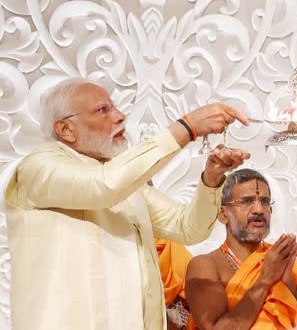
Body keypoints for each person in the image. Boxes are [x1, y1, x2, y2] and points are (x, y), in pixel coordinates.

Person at [4, 78, 250, 330]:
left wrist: (211, 179)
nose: (120, 116)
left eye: (115, 107)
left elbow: (187, 227)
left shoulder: (118, 179)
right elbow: (101, 186)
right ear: (65, 129)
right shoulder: (38, 167)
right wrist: (187, 128)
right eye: (103, 110)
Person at [185, 168, 297, 329]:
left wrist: (290, 287)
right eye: (247, 201)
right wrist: (265, 280)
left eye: (265, 202)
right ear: (223, 214)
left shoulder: (279, 259)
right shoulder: (205, 265)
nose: (259, 210)